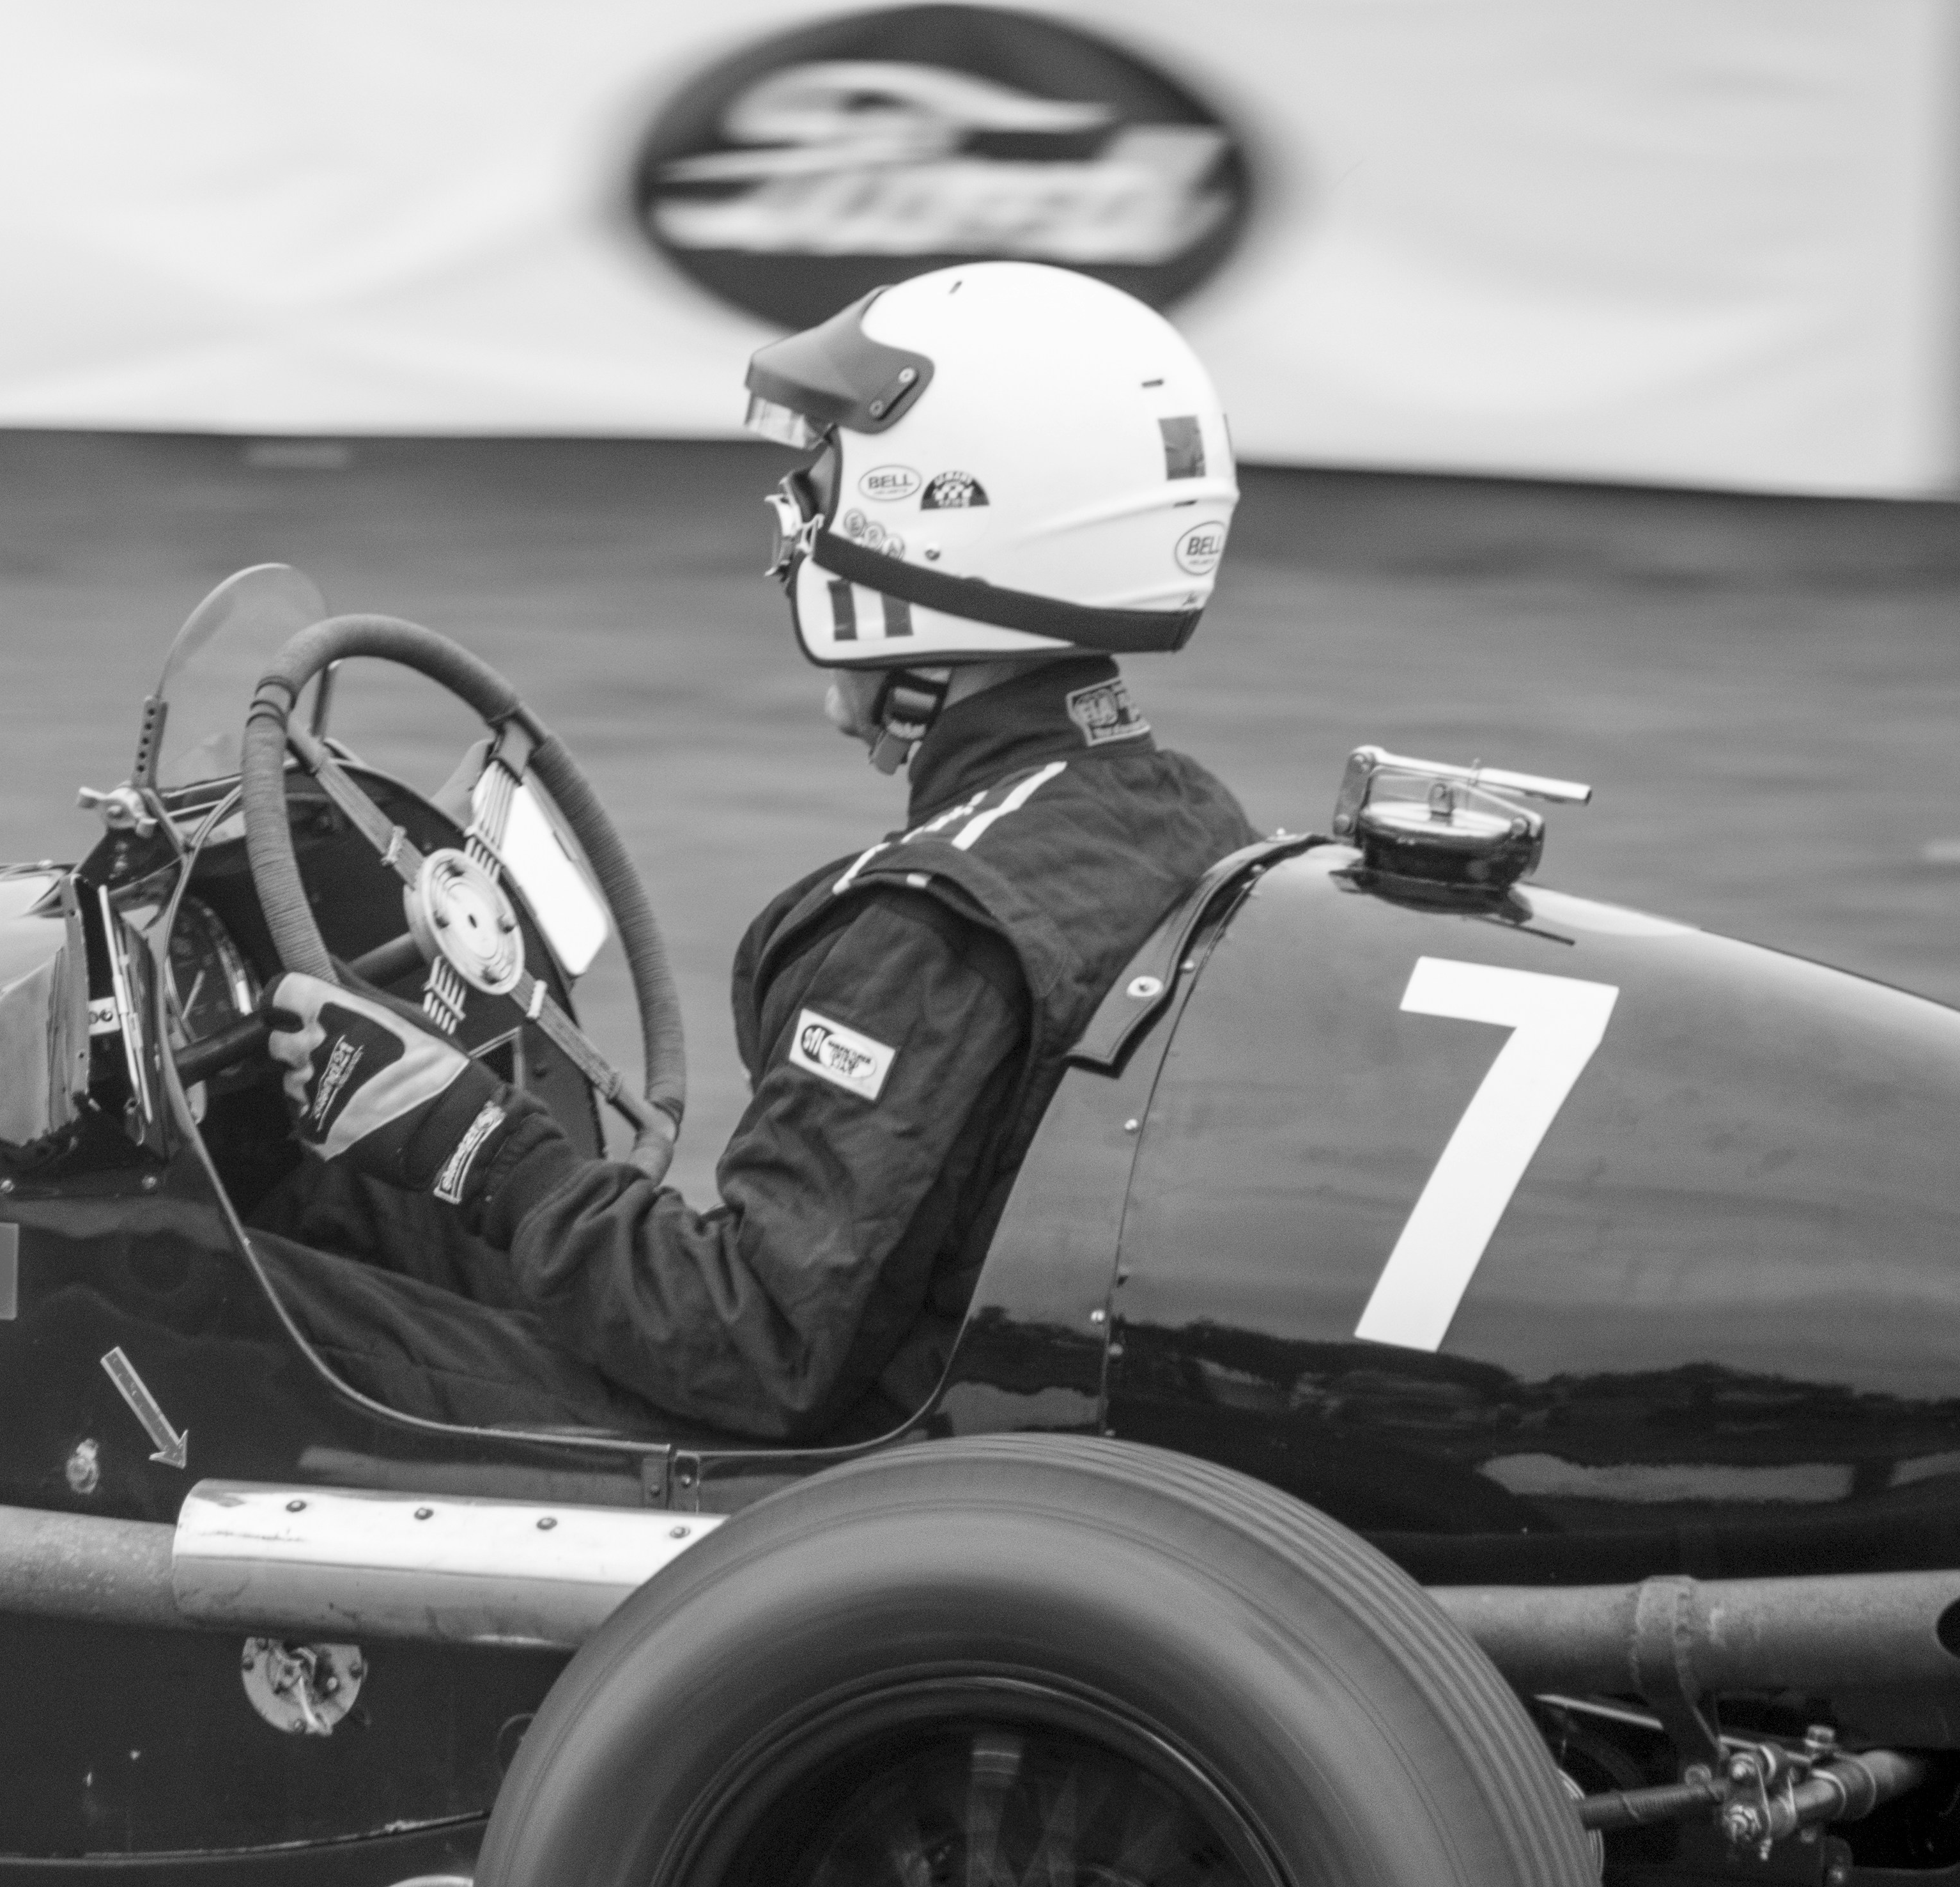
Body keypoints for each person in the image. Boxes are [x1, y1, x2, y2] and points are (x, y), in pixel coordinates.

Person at [251, 260, 1257, 1442]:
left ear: (945, 522)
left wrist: (477, 1140)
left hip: (804, 1474)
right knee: (370, 1201)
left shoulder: (932, 932)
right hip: (966, 1403)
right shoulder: (1183, 812)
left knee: (254, 1304)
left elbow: (754, 1343)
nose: (799, 529)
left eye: (822, 492)